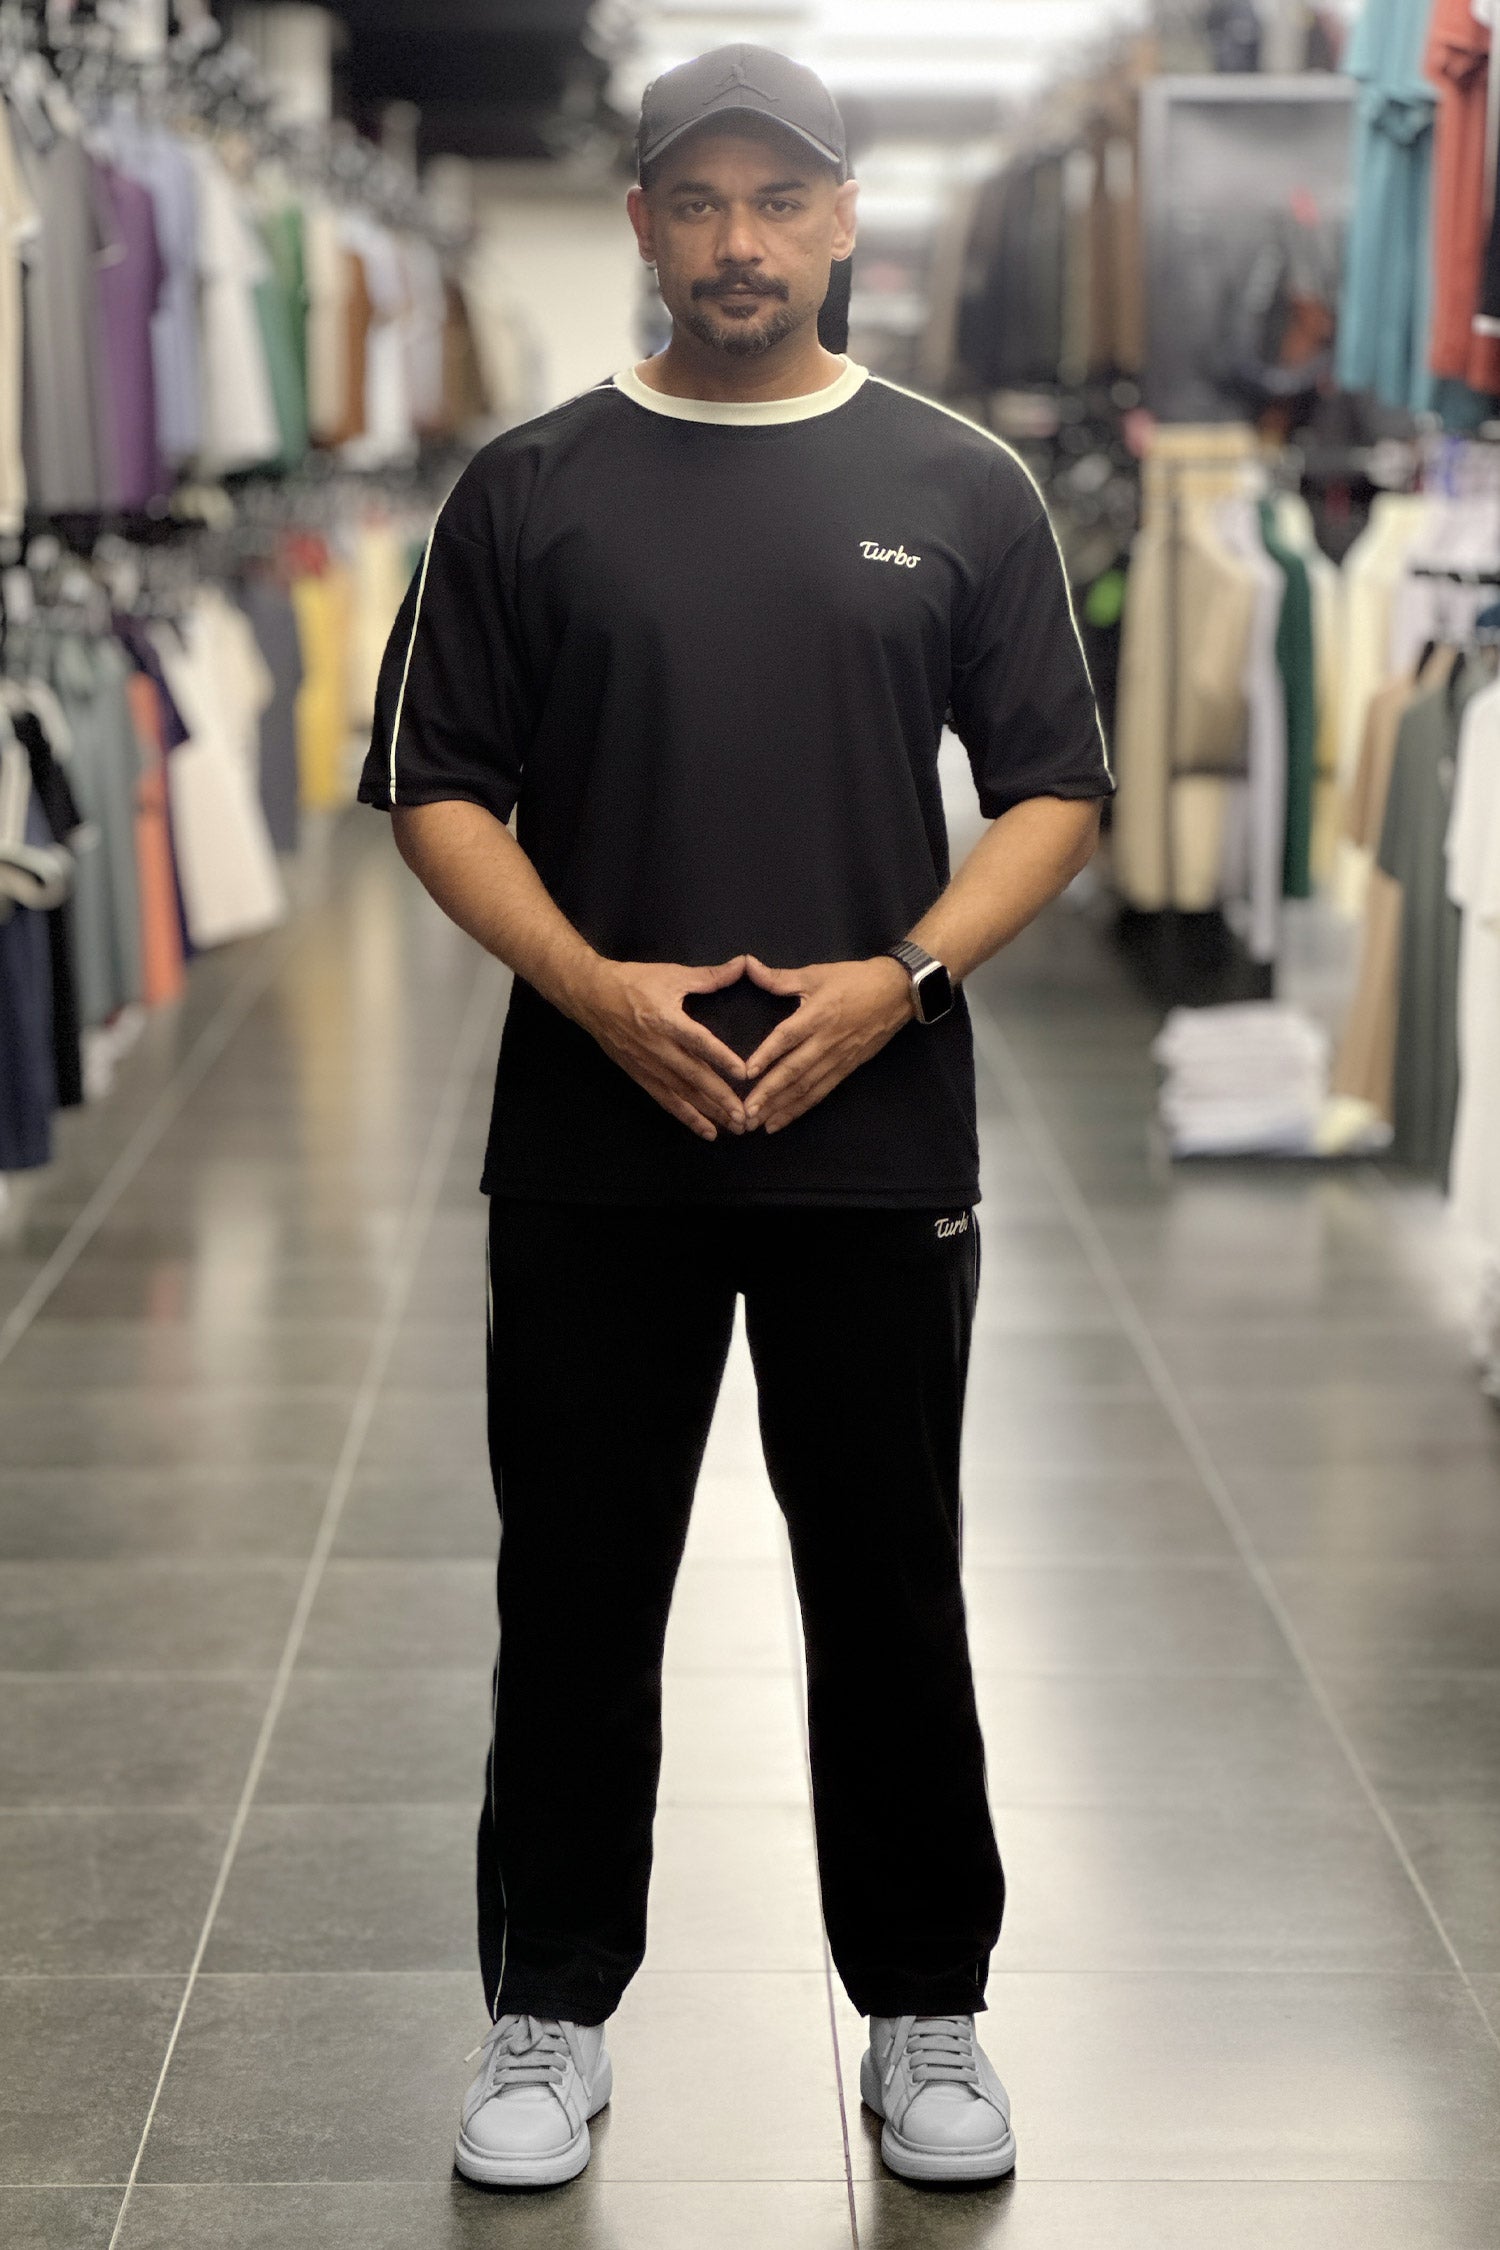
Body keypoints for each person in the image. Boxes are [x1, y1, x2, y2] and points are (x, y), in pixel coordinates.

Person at [359, 41, 1112, 2195]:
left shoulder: (966, 481)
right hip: (597, 1143)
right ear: (642, 225)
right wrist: (597, 991)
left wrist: (906, 981)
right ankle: (548, 2007)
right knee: (579, 1591)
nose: (741, 241)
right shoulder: (529, 487)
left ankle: (928, 2010)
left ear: (846, 218)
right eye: (698, 201)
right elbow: (435, 787)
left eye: (781, 199)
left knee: (891, 1588)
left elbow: (1053, 790)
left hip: (877, 1141)